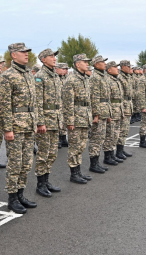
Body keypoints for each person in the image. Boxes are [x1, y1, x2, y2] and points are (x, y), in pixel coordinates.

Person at [0, 43, 38, 214]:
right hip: (15, 125)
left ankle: (21, 194)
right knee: (15, 164)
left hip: (28, 124)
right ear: (14, 55)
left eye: (27, 52)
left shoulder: (28, 74)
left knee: (26, 163)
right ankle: (12, 198)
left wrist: (34, 123)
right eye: (22, 52)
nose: (26, 54)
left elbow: (33, 102)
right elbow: (3, 105)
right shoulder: (8, 76)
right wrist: (7, 129)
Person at [34, 48, 62, 197]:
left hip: (55, 120)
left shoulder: (55, 76)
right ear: (43, 59)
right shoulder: (40, 76)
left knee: (52, 153)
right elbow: (37, 102)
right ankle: (40, 184)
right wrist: (40, 122)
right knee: (43, 154)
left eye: (54, 56)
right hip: (45, 121)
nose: (54, 58)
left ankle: (46, 180)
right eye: (51, 56)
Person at [62, 54, 93, 184]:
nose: (87, 64)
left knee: (81, 146)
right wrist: (70, 121)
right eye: (85, 62)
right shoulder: (71, 80)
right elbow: (68, 102)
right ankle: (74, 173)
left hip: (85, 117)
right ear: (77, 64)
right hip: (76, 118)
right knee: (74, 147)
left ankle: (79, 171)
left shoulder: (85, 78)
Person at [88, 55, 116, 174]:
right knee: (96, 139)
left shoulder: (103, 76)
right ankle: (93, 164)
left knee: (101, 138)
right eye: (102, 62)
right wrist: (96, 115)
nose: (105, 64)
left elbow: (107, 97)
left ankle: (98, 162)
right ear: (95, 64)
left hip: (105, 111)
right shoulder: (95, 77)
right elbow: (94, 98)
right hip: (99, 113)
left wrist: (108, 113)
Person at [56, 63, 70, 148]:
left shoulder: (66, 78)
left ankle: (63, 137)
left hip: (65, 103)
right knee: (58, 121)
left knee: (64, 120)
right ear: (57, 69)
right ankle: (58, 139)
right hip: (58, 103)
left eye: (66, 69)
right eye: (63, 69)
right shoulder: (55, 78)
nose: (65, 71)